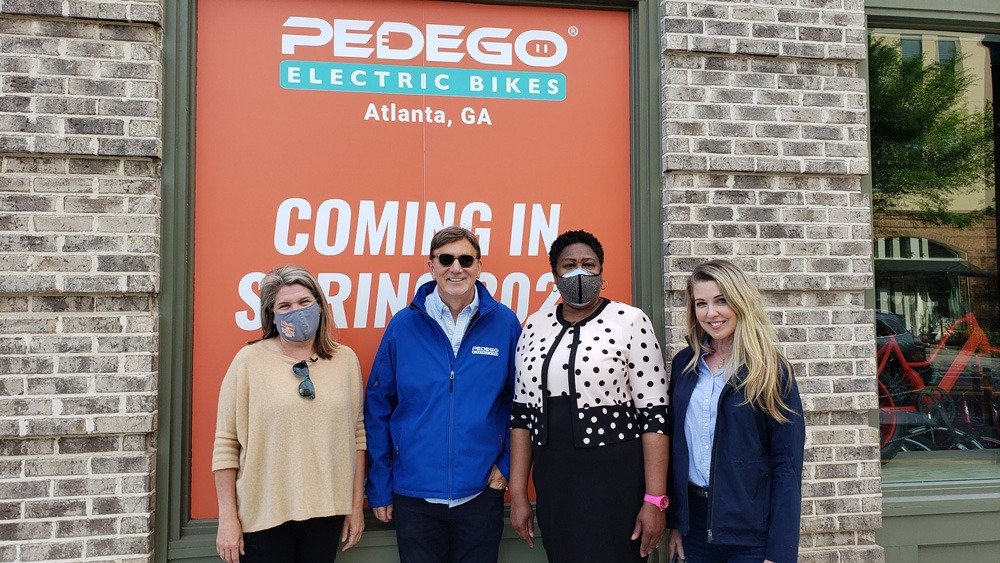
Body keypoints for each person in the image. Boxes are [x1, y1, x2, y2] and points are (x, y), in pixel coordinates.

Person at [508, 229, 670, 562]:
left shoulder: (629, 321)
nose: (579, 272)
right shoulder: (533, 326)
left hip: (615, 481)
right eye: (569, 265)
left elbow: (655, 414)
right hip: (555, 481)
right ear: (555, 275)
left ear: (601, 272)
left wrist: (655, 499)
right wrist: (519, 493)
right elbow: (522, 416)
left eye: (589, 264)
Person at [364, 226, 522, 563]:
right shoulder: (403, 326)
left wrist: (507, 466)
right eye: (446, 259)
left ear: (479, 266)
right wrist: (379, 485)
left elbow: (521, 403)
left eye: (466, 259)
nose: (456, 268)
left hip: (480, 492)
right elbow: (378, 406)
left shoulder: (505, 324)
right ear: (431, 265)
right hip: (414, 496)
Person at [212, 265, 367, 562]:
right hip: (263, 517)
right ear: (272, 315)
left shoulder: (344, 360)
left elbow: (357, 436)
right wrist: (227, 518)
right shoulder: (248, 361)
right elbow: (226, 443)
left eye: (304, 302)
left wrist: (355, 506)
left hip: (327, 513)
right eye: (285, 305)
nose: (296, 310)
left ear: (320, 306)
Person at [666, 259, 805, 563]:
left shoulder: (771, 371)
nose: (710, 313)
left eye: (720, 301)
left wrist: (780, 553)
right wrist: (677, 523)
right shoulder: (684, 366)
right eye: (701, 303)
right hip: (696, 530)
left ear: (740, 301)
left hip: (751, 534)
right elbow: (676, 449)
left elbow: (787, 466)